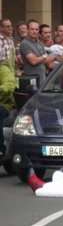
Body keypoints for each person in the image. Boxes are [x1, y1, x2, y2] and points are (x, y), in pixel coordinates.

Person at [20, 20, 58, 85]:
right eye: (32, 29)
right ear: (27, 30)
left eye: (36, 29)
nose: (34, 31)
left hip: (42, 79)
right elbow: (34, 61)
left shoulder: (39, 43)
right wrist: (45, 56)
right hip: (32, 80)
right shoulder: (25, 43)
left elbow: (46, 62)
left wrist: (61, 63)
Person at [0, 19, 16, 160]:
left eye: (11, 26)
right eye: (7, 26)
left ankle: (0, 149)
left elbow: (8, 86)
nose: (10, 28)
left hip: (5, 102)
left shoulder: (3, 68)